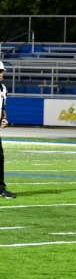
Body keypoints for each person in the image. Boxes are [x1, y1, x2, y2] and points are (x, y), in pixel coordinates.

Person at [0, 62, 15, 199]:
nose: (1, 74)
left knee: (0, 157)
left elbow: (2, 107)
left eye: (1, 71)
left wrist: (4, 118)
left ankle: (0, 188)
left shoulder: (3, 88)